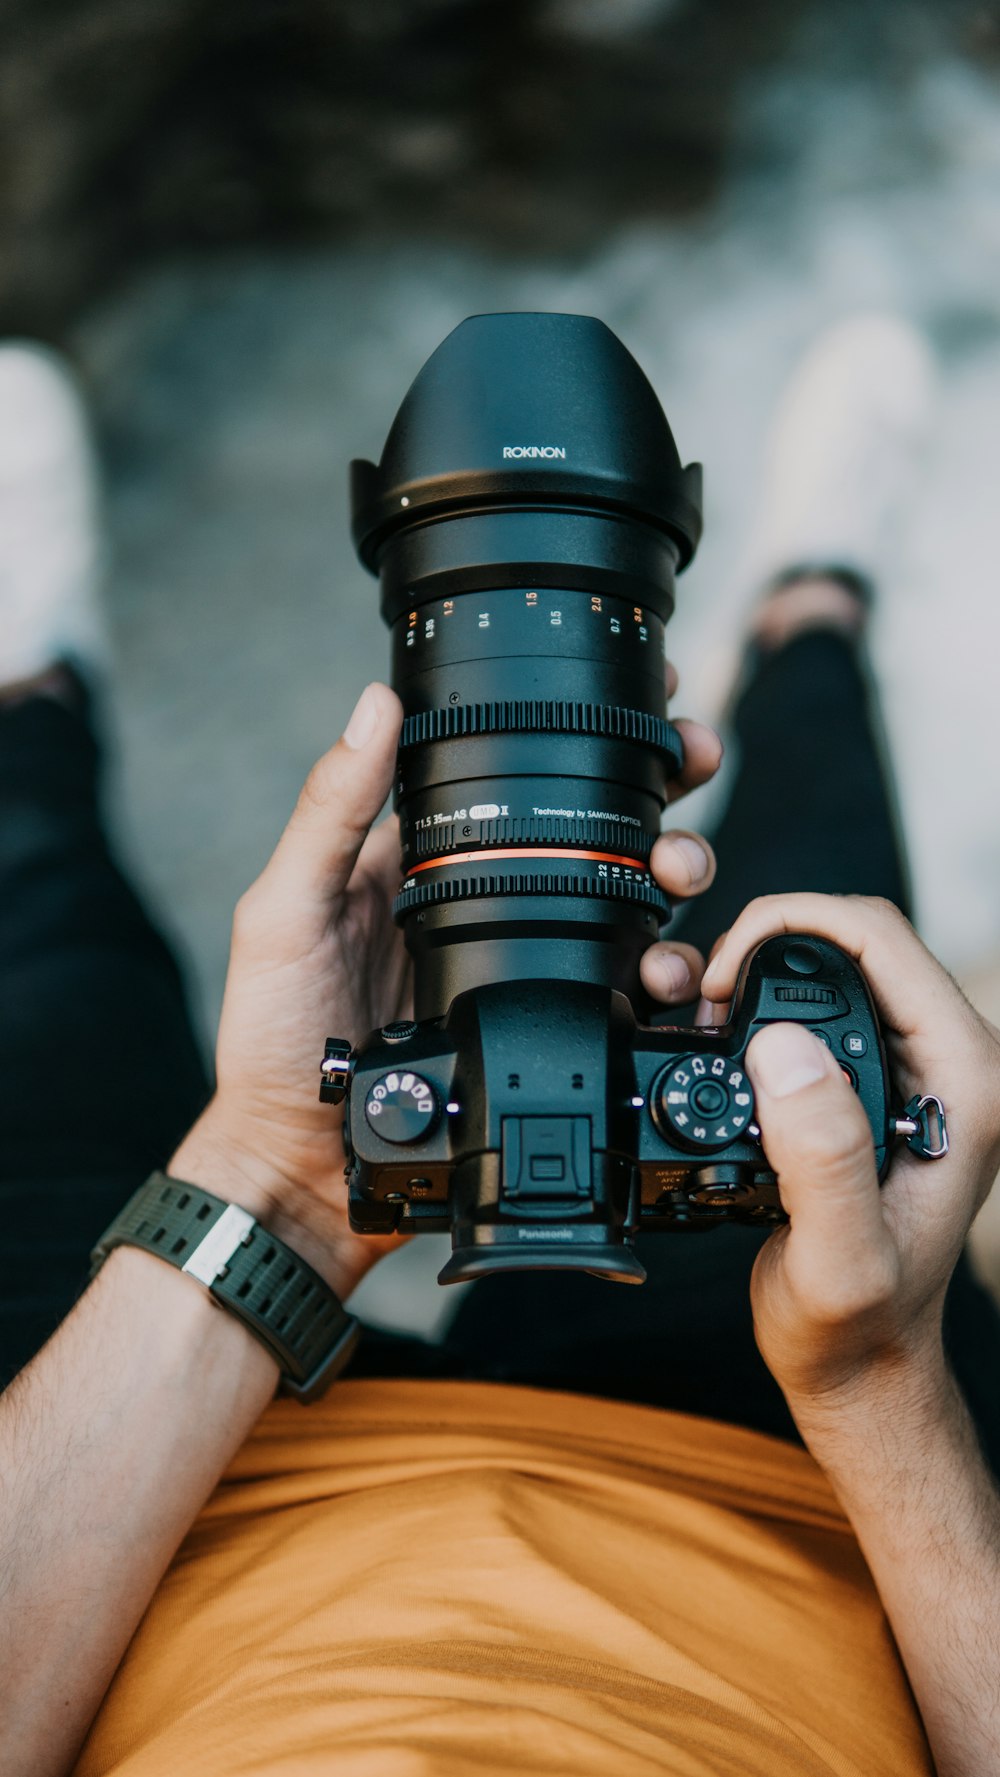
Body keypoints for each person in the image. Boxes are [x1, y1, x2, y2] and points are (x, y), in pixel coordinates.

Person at [1, 319, 998, 1777]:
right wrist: (873, 1376)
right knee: (817, 943)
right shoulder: (840, 1391)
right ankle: (811, 605)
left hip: (164, 1529)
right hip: (779, 1498)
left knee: (44, 988)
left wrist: (272, 1179)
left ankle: (32, 691)